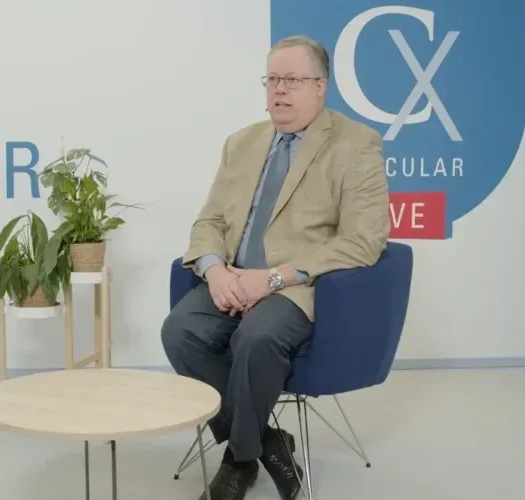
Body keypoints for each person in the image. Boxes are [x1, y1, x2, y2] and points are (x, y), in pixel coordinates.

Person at [161, 35, 390, 500]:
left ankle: (239, 462)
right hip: (232, 278)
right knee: (179, 331)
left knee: (256, 338)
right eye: (272, 80)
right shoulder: (242, 143)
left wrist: (274, 277)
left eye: (293, 80)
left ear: (320, 86)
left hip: (293, 287)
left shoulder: (355, 144)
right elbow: (210, 220)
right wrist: (215, 271)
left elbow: (364, 241)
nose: (279, 91)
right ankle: (267, 442)